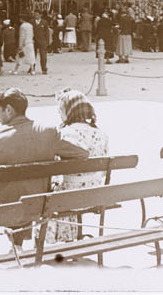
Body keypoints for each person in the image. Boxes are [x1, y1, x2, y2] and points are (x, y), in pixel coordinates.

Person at [0, 88, 90, 250]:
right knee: (23, 191)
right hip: (36, 207)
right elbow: (82, 153)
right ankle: (16, 247)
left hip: (0, 209)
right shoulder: (47, 132)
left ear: (9, 110)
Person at [51, 90, 110, 243]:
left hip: (69, 194)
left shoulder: (65, 133)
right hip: (94, 192)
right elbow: (103, 172)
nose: (59, 112)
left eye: (61, 109)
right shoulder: (101, 134)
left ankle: (58, 238)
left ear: (70, 111)